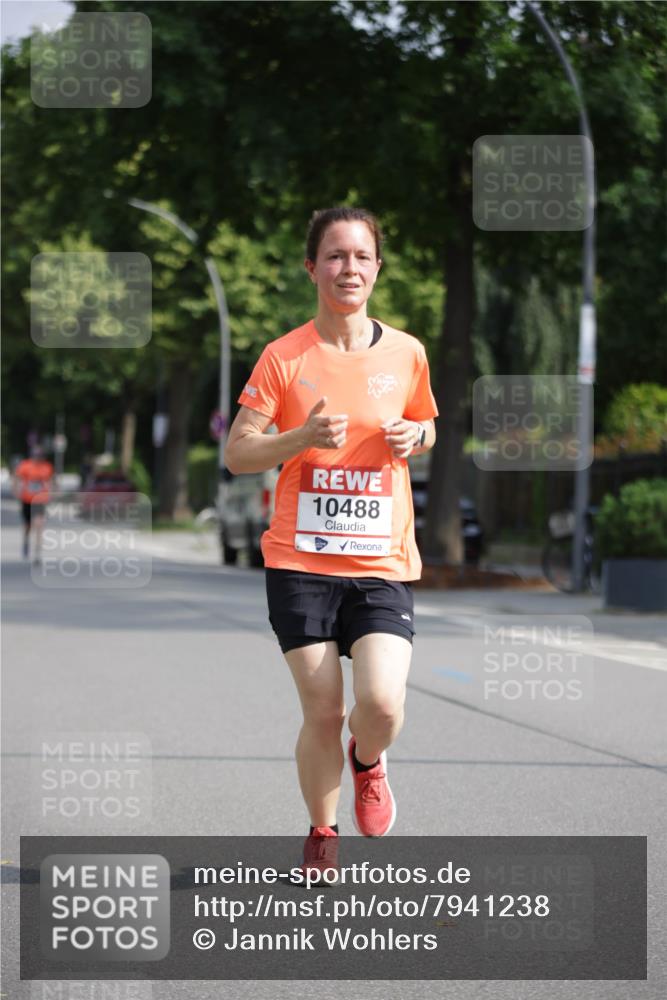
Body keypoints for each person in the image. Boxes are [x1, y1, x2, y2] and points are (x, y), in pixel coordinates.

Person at [224, 207, 437, 881]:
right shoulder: (284, 356)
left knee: (381, 704)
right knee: (323, 710)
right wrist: (299, 439)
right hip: (300, 561)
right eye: (336, 256)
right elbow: (238, 452)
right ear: (311, 267)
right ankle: (322, 834)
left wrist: (416, 436)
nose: (349, 268)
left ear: (377, 268)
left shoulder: (406, 353)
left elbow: (426, 425)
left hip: (380, 561)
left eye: (361, 256)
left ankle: (367, 760)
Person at [13, 444, 54, 564]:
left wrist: (52, 493)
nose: (38, 457)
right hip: (27, 500)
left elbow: (51, 481)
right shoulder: (25, 465)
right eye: (36, 455)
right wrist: (16, 491)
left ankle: (37, 554)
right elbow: (17, 478)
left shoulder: (47, 467)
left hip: (40, 501)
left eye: (40, 455)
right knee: (28, 526)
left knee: (39, 526)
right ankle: (26, 541)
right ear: (32, 455)